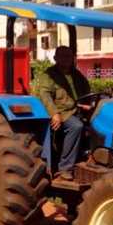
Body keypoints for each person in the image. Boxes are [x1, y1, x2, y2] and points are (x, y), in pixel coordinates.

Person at [37, 46, 91, 181]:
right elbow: (45, 95)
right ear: (55, 58)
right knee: (76, 126)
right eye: (63, 56)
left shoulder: (76, 74)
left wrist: (90, 104)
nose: (67, 59)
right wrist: (54, 114)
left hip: (76, 110)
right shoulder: (49, 75)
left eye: (69, 56)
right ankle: (64, 168)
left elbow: (87, 92)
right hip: (60, 112)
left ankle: (90, 158)